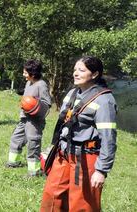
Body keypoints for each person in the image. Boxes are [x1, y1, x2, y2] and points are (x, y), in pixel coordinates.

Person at [40, 56, 117, 211]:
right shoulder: (72, 93)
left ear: (94, 74)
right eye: (75, 69)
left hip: (86, 158)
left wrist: (101, 170)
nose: (76, 73)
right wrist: (52, 148)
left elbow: (108, 139)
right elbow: (64, 124)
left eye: (81, 70)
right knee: (52, 196)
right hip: (63, 155)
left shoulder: (104, 101)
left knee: (82, 204)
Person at [6, 60, 52, 177]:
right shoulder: (29, 83)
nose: (23, 75)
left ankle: (34, 171)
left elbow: (47, 104)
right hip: (24, 118)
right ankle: (13, 162)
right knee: (16, 138)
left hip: (34, 121)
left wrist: (34, 105)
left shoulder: (41, 85)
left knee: (33, 143)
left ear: (33, 73)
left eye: (26, 73)